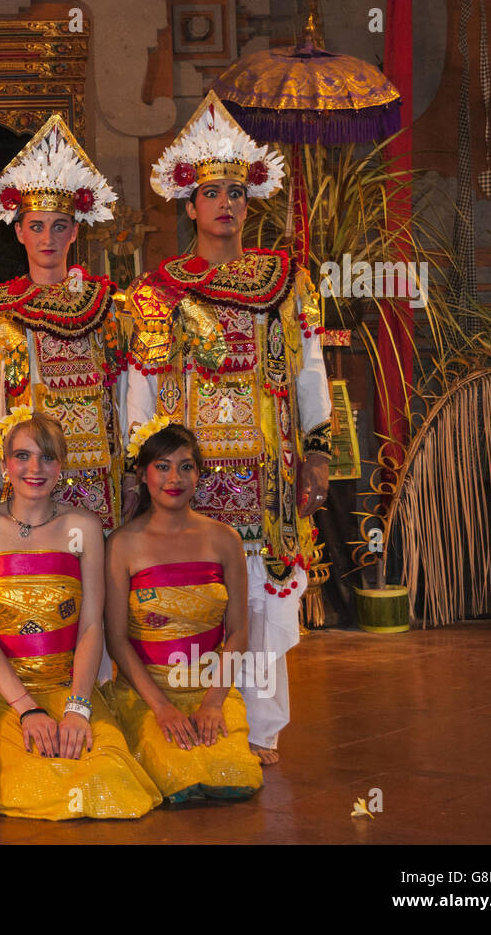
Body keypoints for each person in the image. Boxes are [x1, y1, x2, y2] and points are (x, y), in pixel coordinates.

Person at [117, 92, 333, 763]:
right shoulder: (158, 292)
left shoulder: (285, 280)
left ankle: (261, 730)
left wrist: (317, 451)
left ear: (250, 203)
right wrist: (142, 465)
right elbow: (140, 386)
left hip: (264, 475)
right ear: (189, 205)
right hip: (187, 477)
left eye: (236, 192)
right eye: (212, 193)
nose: (226, 204)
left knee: (264, 603)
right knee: (190, 595)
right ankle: (194, 716)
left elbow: (311, 367)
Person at [0, 409, 161, 820]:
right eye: (23, 456)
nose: (35, 468)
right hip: (4, 695)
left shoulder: (84, 527)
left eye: (47, 457)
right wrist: (27, 709)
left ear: (62, 465)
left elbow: (90, 626)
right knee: (34, 783)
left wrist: (78, 707)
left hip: (71, 689)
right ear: (4, 464)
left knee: (111, 783)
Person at [0, 114, 129, 533]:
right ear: (19, 232)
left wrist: (133, 473)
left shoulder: (108, 307)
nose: (47, 239)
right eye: (36, 227)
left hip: (98, 475)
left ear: (75, 233)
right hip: (24, 479)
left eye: (59, 227)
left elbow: (124, 392)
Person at [104, 420, 263, 804]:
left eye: (186, 466)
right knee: (178, 780)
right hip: (147, 695)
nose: (174, 477)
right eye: (162, 466)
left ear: (199, 475)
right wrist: (161, 708)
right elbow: (116, 640)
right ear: (142, 474)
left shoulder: (225, 539)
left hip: (210, 690)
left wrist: (213, 703)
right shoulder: (122, 544)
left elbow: (238, 632)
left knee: (234, 779)